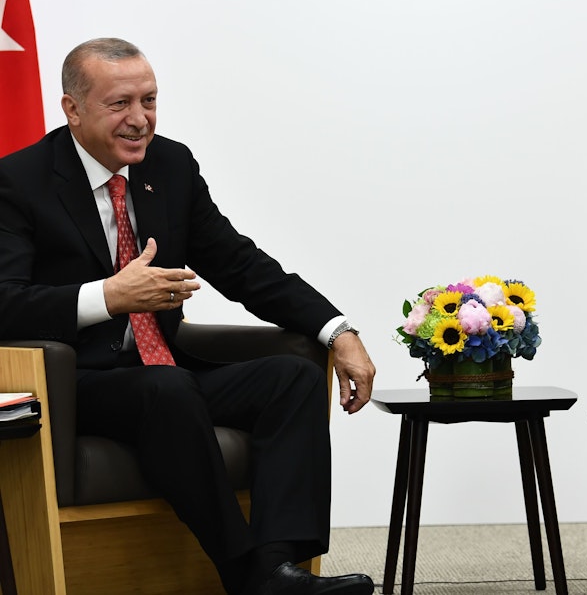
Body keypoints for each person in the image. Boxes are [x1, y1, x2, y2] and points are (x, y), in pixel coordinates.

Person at [0, 38, 377, 595]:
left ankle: (279, 570)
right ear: (72, 109)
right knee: (168, 389)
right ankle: (244, 573)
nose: (139, 120)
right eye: (120, 104)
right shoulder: (19, 180)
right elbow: (6, 303)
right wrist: (108, 296)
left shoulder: (170, 165)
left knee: (292, 376)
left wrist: (337, 330)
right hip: (76, 382)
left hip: (163, 369)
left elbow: (240, 264)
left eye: (149, 101)